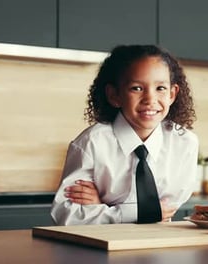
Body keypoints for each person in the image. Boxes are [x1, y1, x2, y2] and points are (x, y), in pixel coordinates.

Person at [50, 44, 198, 225]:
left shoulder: (184, 143)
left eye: (160, 88)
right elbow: (66, 215)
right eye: (136, 88)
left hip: (161, 243)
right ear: (114, 95)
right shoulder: (91, 143)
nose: (150, 99)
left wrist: (102, 207)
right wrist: (133, 212)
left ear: (172, 94)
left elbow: (167, 209)